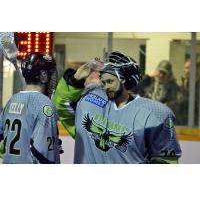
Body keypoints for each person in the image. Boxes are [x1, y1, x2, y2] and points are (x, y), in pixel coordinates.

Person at [53, 51, 182, 164]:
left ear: (124, 80)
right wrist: (75, 80)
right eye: (103, 82)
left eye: (110, 82)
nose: (105, 87)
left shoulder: (153, 113)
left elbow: (166, 160)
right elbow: (62, 106)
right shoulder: (90, 101)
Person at [0, 52, 60, 163]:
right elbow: (41, 154)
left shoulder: (12, 100)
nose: (53, 79)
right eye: (50, 74)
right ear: (43, 75)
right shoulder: (44, 104)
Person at [147, 60, 184, 124]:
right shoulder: (151, 85)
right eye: (160, 72)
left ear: (169, 75)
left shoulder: (174, 88)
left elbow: (176, 104)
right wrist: (148, 77)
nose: (161, 75)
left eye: (164, 73)